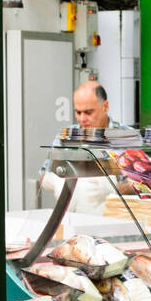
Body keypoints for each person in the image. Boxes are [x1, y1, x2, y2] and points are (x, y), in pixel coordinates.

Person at [38, 81, 122, 216]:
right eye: (78, 112)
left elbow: (143, 185)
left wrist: (110, 191)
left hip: (114, 221)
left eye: (88, 112)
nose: (82, 119)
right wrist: (56, 182)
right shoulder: (65, 137)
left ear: (105, 106)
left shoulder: (126, 137)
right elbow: (43, 175)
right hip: (72, 220)